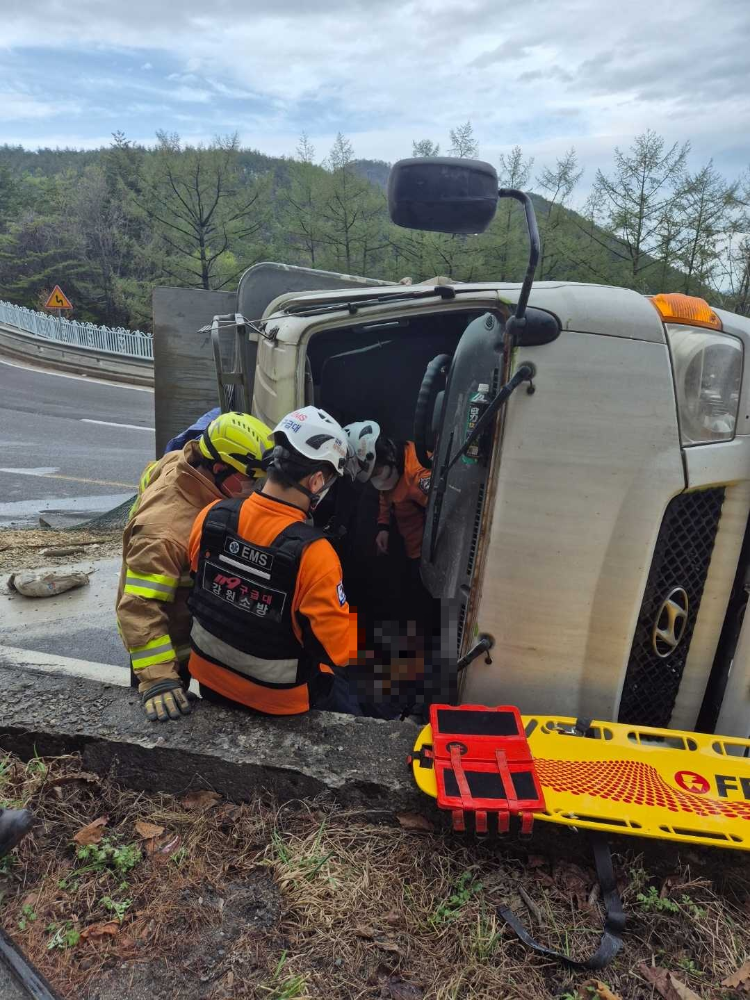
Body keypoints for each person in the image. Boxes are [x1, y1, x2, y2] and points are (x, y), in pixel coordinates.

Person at [186, 406, 361, 716]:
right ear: (316, 481)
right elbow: (341, 651)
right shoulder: (317, 555)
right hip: (279, 701)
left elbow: (201, 584)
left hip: (209, 679)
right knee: (349, 689)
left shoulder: (211, 517)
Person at [116, 411, 273, 722]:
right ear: (218, 468)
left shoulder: (179, 460)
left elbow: (149, 480)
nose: (254, 486)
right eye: (249, 477)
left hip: (192, 629)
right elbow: (138, 608)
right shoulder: (165, 533)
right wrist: (158, 678)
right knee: (168, 717)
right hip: (164, 644)